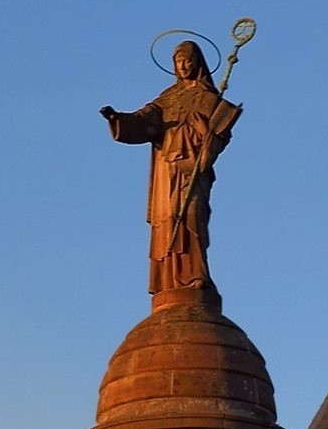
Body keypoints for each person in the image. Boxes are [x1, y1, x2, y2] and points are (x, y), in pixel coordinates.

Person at [101, 41, 241, 295]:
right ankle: (167, 282)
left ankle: (197, 274)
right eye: (179, 62)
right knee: (166, 220)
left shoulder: (209, 98)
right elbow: (144, 120)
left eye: (188, 61)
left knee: (191, 215)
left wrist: (205, 134)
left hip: (192, 169)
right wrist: (118, 119)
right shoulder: (167, 98)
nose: (184, 66)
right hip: (167, 169)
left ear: (197, 63)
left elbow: (220, 133)